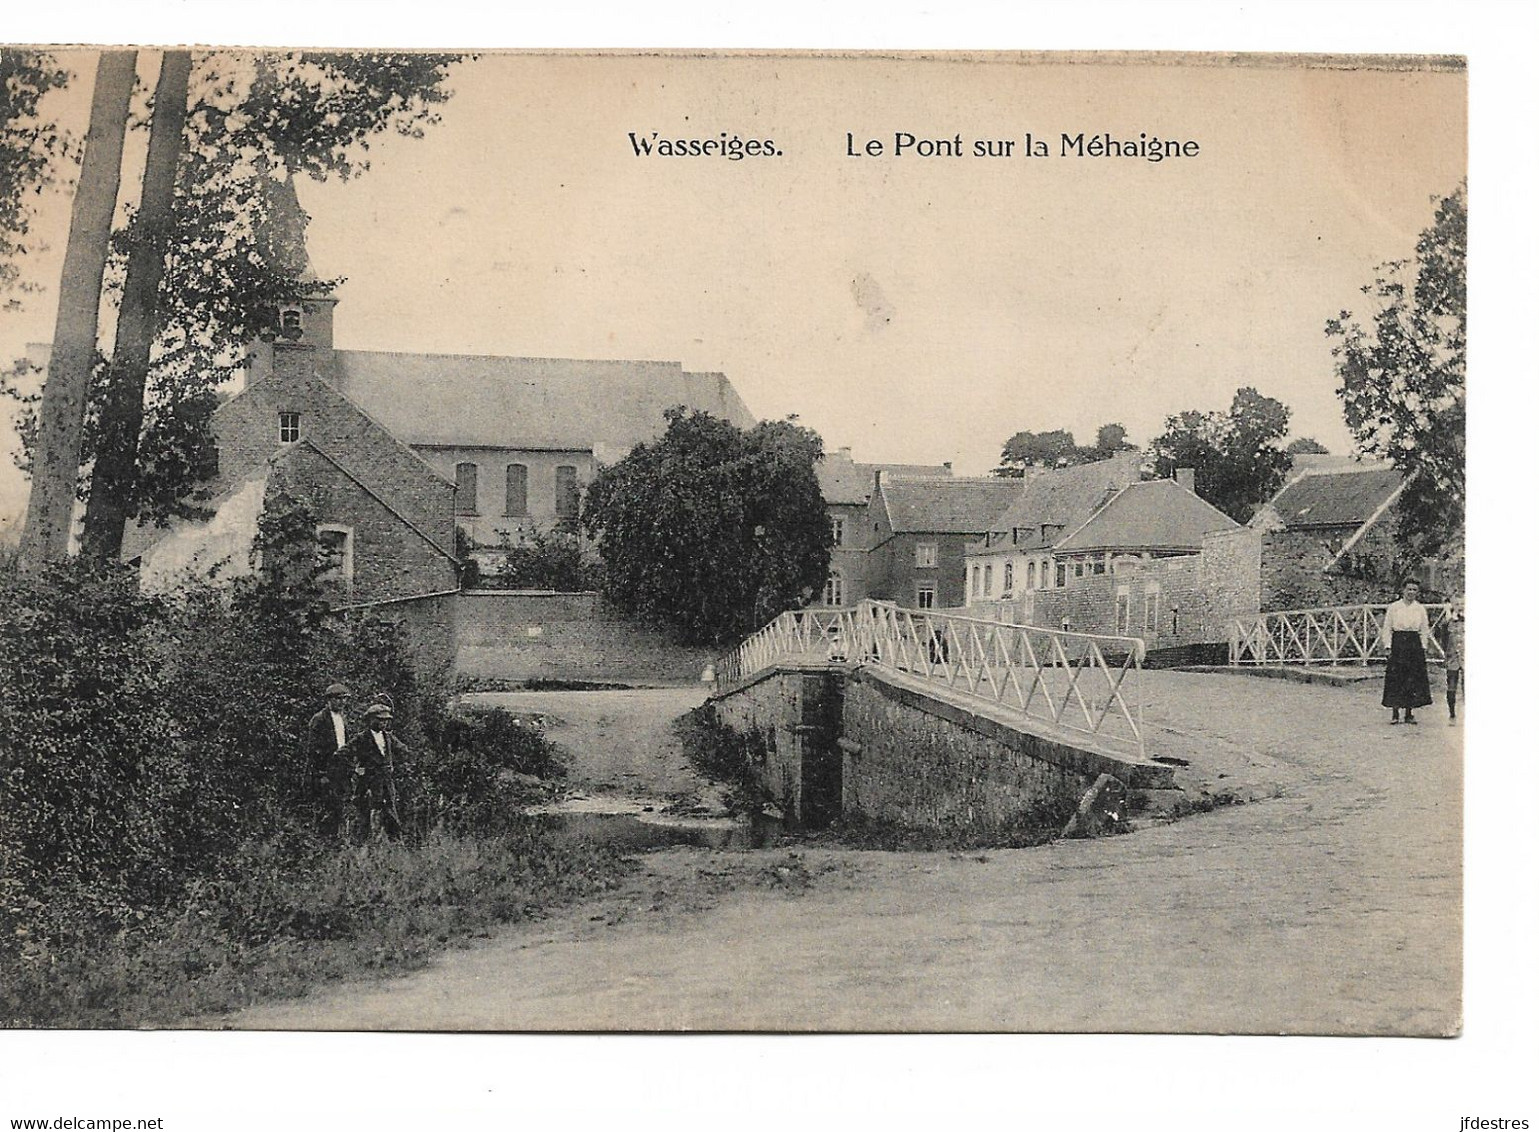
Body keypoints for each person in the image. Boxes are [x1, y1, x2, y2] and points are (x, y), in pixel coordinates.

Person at [343, 702, 413, 842]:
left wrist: (397, 766)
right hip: (368, 783)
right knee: (365, 816)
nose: (383, 723)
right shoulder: (361, 738)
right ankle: (361, 845)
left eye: (386, 720)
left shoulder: (388, 737)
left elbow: (404, 751)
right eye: (380, 720)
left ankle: (395, 843)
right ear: (370, 720)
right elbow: (342, 754)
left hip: (386, 782)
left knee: (391, 813)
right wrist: (355, 769)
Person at [1379, 579, 1433, 725]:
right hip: (1398, 643)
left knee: (1412, 678)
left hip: (1414, 644)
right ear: (1403, 590)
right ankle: (1395, 713)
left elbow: (1424, 630)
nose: (1411, 592)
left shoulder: (1420, 609)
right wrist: (1388, 646)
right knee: (1396, 677)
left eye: (1414, 590)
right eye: (1409, 589)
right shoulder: (1394, 607)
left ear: (1417, 592)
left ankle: (1409, 713)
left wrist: (1423, 647)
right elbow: (1387, 628)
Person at [304, 683, 352, 835]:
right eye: (338, 699)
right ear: (329, 700)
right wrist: (321, 773)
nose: (342, 702)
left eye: (344, 699)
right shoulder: (319, 719)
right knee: (325, 807)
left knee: (340, 806)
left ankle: (336, 842)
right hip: (325, 771)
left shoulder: (343, 719)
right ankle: (323, 841)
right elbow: (314, 750)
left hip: (341, 769)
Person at [1437, 606, 1465, 725]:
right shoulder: (1448, 622)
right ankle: (1452, 714)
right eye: (1457, 604)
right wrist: (1447, 653)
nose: (1461, 607)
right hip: (1453, 657)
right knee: (1451, 686)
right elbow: (1443, 639)